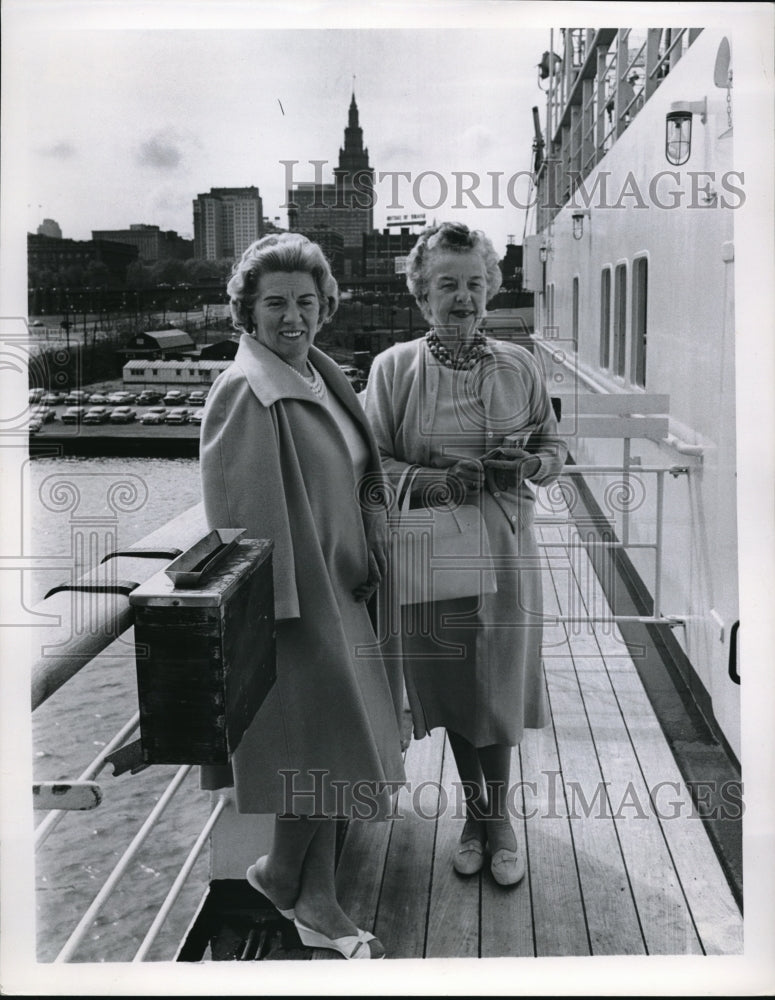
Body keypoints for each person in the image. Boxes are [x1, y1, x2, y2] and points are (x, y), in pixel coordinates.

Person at [200, 233, 406, 959]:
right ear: (247, 312)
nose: (293, 317)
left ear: (325, 306)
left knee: (331, 749)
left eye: (306, 302)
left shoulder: (319, 372)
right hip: (297, 606)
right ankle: (284, 877)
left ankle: (312, 898)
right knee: (322, 749)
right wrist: (280, 615)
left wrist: (371, 544)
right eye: (276, 304)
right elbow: (240, 520)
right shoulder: (245, 391)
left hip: (344, 589)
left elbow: (355, 475)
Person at [363, 222, 567, 886]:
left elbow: (553, 448)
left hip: (504, 544)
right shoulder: (393, 369)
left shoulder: (520, 365)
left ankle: (497, 820)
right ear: (422, 293)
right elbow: (369, 465)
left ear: (490, 289)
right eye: (447, 284)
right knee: (453, 685)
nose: (463, 298)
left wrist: (530, 464)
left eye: (474, 283)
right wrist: (435, 480)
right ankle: (475, 816)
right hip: (430, 544)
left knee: (498, 681)